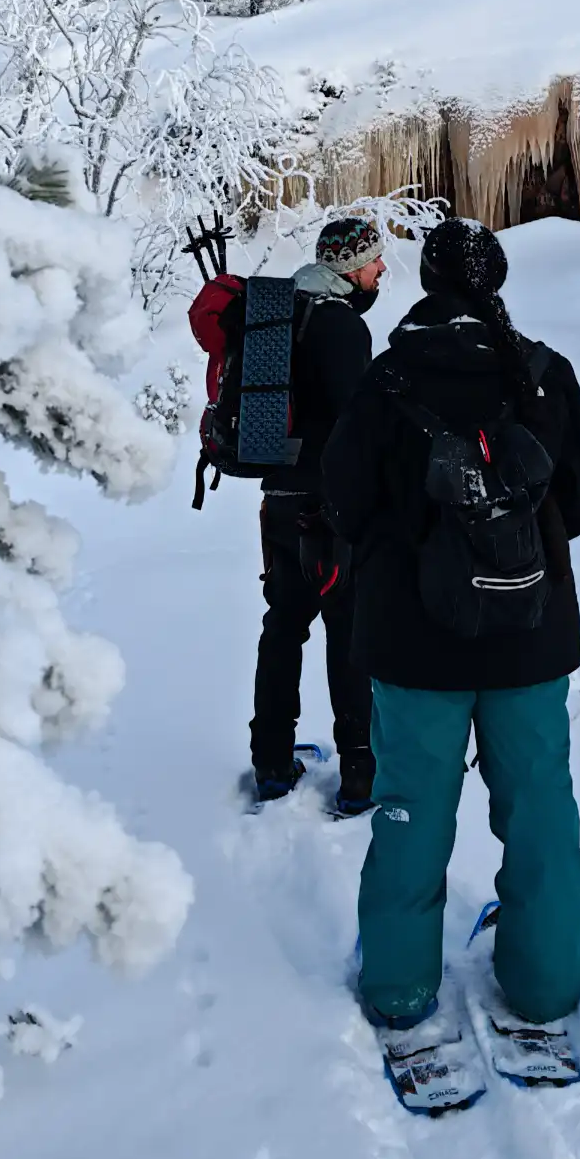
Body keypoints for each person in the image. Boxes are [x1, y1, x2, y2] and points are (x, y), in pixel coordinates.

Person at [321, 216, 580, 1034]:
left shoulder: (386, 381)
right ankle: (545, 987)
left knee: (411, 811)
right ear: (497, 281)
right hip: (531, 635)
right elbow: (576, 504)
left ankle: (401, 990)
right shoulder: (546, 375)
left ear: (426, 281)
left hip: (413, 650)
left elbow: (343, 500)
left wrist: (401, 549)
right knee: (542, 810)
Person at [250, 213, 385, 812]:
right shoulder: (339, 327)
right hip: (328, 508)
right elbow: (359, 428)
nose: (381, 269)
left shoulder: (279, 315)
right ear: (349, 267)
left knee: (283, 626)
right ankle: (359, 772)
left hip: (278, 499)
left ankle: (272, 762)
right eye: (375, 260)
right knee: (348, 632)